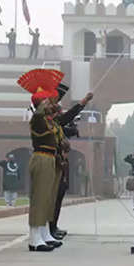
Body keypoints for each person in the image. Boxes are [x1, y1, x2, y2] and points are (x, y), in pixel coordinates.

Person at [17, 68, 65, 252]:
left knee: (47, 198)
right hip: (41, 158)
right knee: (39, 198)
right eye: (47, 100)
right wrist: (43, 106)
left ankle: (44, 233)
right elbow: (39, 113)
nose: (50, 103)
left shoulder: (47, 120)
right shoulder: (38, 118)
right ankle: (34, 238)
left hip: (50, 159)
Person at [51, 84, 93, 239]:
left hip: (59, 161)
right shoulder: (43, 119)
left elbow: (62, 125)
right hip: (51, 162)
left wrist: (72, 130)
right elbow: (63, 121)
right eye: (55, 102)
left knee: (59, 194)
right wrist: (83, 102)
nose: (57, 106)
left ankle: (52, 226)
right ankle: (48, 229)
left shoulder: (51, 120)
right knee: (52, 197)